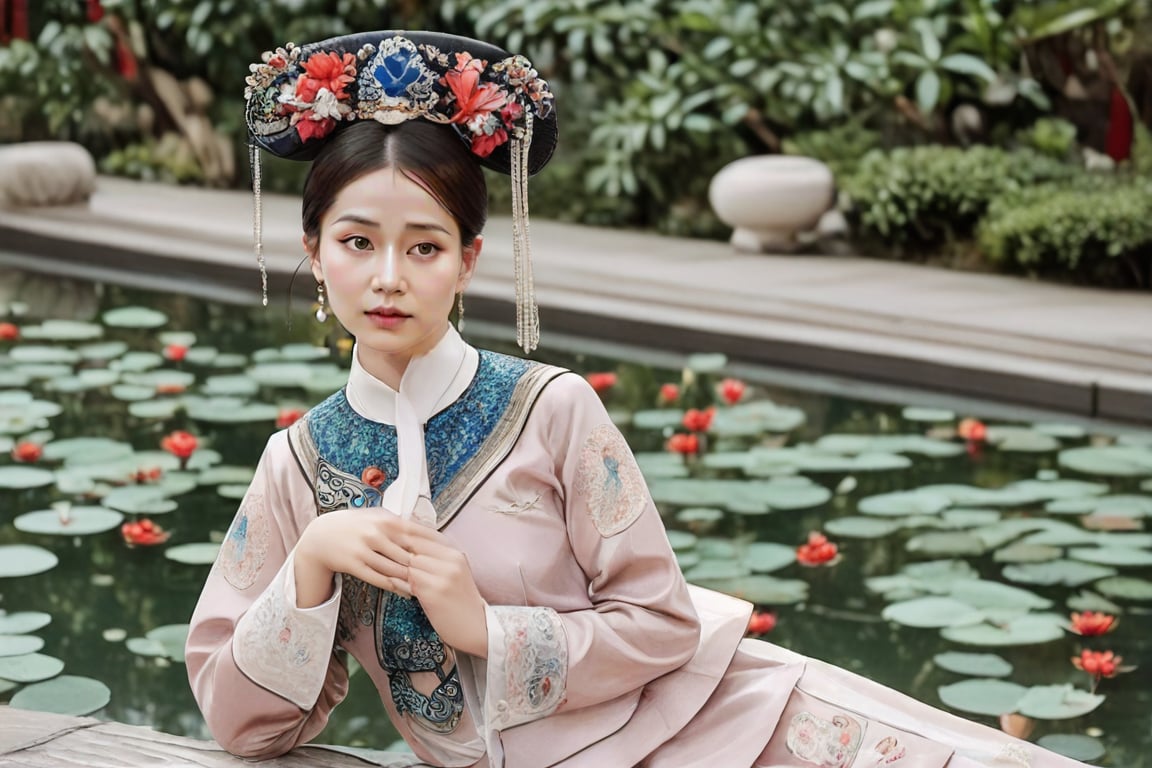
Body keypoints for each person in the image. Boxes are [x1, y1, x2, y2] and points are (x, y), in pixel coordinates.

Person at [186, 30, 1089, 768]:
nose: (389, 278)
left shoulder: (552, 407)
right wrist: (311, 565)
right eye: (357, 241)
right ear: (314, 251)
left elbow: (662, 621)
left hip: (724, 725)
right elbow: (242, 725)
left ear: (468, 260)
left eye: (424, 247)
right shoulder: (297, 467)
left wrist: (488, 628)